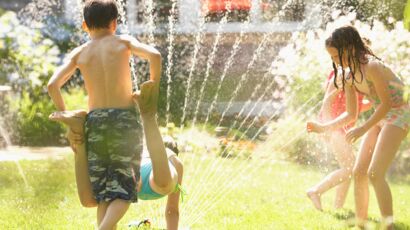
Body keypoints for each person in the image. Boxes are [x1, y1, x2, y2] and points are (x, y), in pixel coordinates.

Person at [47, 0, 162, 229]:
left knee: (104, 192)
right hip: (124, 120)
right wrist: (153, 89)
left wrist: (66, 115)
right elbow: (155, 56)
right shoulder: (123, 42)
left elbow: (52, 85)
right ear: (114, 23)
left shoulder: (80, 52)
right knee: (125, 188)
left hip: (95, 121)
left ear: (84, 25)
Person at [307, 25, 409, 229]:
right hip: (382, 114)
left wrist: (362, 130)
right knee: (359, 171)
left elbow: (388, 103)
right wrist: (323, 127)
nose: (334, 61)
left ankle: (387, 226)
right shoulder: (348, 77)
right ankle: (360, 224)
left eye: (336, 56)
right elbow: (350, 114)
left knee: (375, 173)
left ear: (349, 48)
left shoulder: (372, 67)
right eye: (332, 57)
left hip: (401, 112)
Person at [306, 70, 371, 211]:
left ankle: (338, 206)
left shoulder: (360, 74)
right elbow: (327, 101)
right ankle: (316, 191)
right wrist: (327, 128)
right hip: (334, 127)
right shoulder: (343, 73)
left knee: (347, 167)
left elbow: (358, 104)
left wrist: (373, 101)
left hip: (341, 128)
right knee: (350, 168)